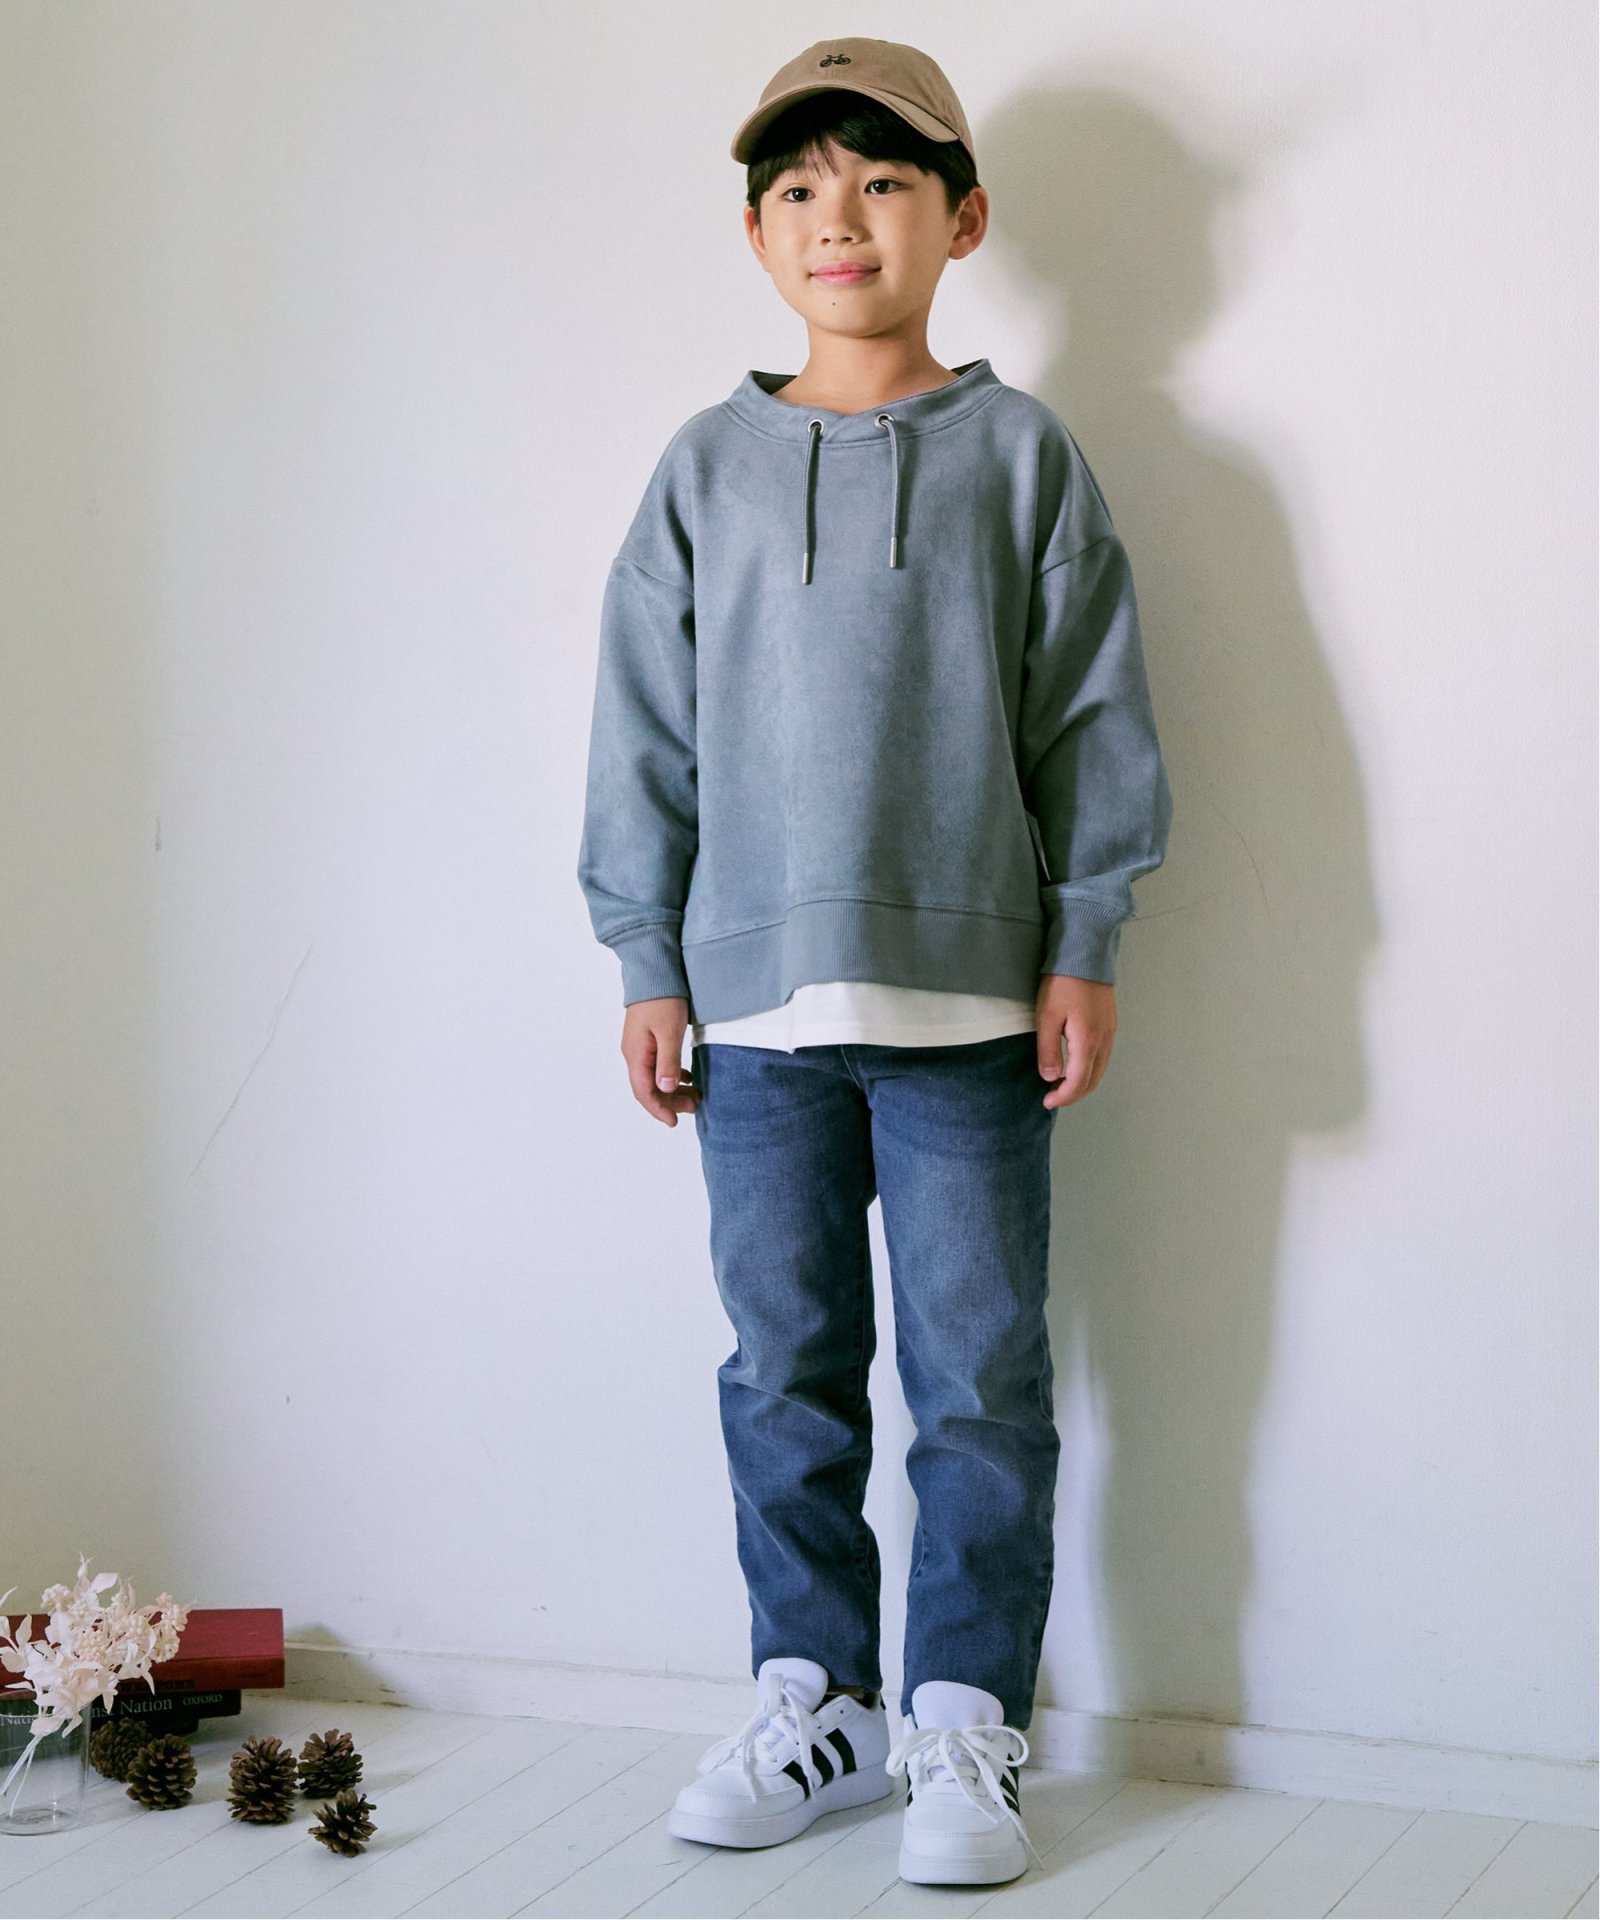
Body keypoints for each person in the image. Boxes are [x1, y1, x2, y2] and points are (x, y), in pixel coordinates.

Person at [576, 35, 1173, 1889]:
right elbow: (644, 732)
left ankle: (963, 1724)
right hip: (750, 1020)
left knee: (981, 1381)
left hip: (974, 1009)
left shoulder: (1023, 456)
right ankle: (816, 1699)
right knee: (785, 1371)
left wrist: (1085, 939)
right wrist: (644, 956)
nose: (842, 217)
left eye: (885, 180)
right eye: (801, 189)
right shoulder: (705, 470)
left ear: (962, 219)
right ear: (761, 238)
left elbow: (1090, 716)